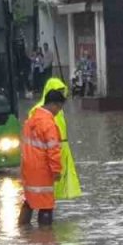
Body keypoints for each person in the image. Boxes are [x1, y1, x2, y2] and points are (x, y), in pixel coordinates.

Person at [19, 89, 67, 226]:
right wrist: (56, 171)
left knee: (29, 200)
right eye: (59, 108)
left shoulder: (31, 120)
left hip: (28, 167)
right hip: (42, 169)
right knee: (46, 204)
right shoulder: (48, 124)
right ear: (54, 105)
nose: (58, 112)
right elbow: (53, 151)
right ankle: (45, 236)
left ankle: (23, 231)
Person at [32, 77, 82, 201]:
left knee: (59, 184)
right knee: (44, 191)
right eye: (58, 91)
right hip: (47, 153)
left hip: (60, 149)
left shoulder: (57, 108)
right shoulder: (40, 110)